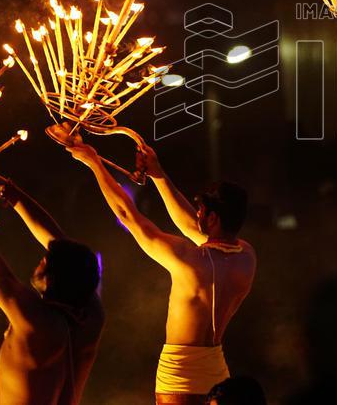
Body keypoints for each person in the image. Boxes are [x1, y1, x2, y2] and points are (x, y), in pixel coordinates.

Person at [52, 124, 256, 405]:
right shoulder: (245, 255)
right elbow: (190, 225)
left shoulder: (191, 260)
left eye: (201, 212)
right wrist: (158, 174)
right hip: (218, 368)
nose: (196, 216)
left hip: (180, 370)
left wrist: (93, 161)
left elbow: (128, 215)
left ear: (212, 218)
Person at [0, 169, 103, 405]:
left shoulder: (36, 321)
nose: (43, 257)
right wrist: (10, 191)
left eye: (48, 259)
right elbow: (63, 248)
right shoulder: (91, 316)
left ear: (54, 276)